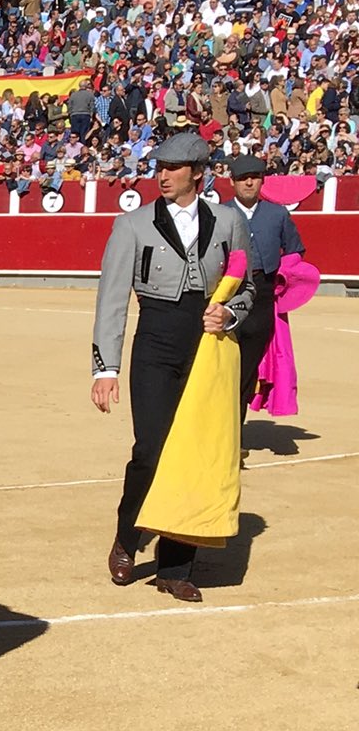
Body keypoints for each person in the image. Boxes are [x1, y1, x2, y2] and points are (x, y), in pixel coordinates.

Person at [91, 131, 256, 602]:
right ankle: (128, 536)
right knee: (151, 450)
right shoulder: (133, 225)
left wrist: (229, 313)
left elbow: (248, 287)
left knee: (196, 454)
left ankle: (176, 564)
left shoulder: (227, 222)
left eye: (173, 168)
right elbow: (112, 300)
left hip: (209, 344)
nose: (162, 175)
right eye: (159, 167)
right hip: (156, 342)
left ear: (197, 174)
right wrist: (106, 368)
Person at [223, 154, 304, 436]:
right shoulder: (218, 214)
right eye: (243, 178)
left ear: (262, 181)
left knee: (247, 370)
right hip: (226, 298)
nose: (249, 182)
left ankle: (233, 432)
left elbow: (294, 251)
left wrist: (285, 277)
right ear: (232, 182)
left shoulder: (277, 215)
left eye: (255, 177)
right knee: (223, 368)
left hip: (263, 297)